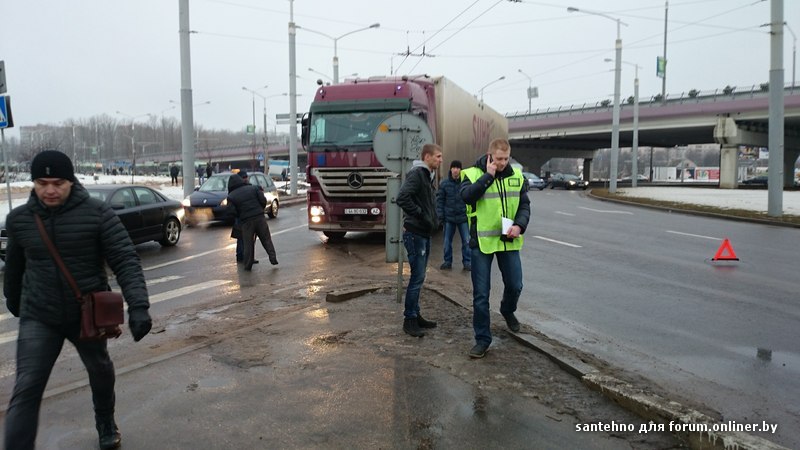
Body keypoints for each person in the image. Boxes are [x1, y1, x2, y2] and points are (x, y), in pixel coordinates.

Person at [3, 150, 153, 450]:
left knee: (100, 370)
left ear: (71, 181)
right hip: (40, 315)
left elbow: (125, 258)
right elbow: (15, 267)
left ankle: (105, 420)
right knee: (27, 386)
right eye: (42, 183)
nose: (50, 190)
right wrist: (14, 299)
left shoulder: (97, 214)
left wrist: (138, 306)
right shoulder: (20, 219)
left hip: (85, 313)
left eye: (58, 183)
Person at [460, 138, 530, 359]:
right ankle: (482, 339)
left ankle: (507, 310)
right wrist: (488, 176)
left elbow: (524, 205)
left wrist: (519, 225)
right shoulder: (472, 174)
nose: (502, 163)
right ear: (490, 155)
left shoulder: (516, 176)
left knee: (515, 285)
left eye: (506, 158)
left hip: (508, 239)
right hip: (481, 243)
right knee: (481, 295)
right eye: (499, 159)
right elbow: (466, 197)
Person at [396, 143, 442, 338]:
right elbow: (402, 198)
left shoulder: (427, 176)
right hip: (415, 233)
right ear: (427, 156)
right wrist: (421, 214)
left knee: (419, 277)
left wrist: (434, 220)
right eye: (438, 156)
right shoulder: (417, 174)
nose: (440, 160)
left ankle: (416, 314)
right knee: (416, 278)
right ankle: (409, 320)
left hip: (423, 233)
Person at [226, 173, 277, 271]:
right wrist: (260, 210)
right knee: (266, 239)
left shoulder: (231, 196)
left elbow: (231, 212)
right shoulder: (253, 188)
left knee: (248, 244)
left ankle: (248, 265)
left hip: (246, 222)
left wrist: (240, 216)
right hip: (260, 218)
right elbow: (263, 200)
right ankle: (273, 258)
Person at [436, 159, 471, 271]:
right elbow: (440, 200)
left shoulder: (465, 183)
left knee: (466, 241)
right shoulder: (444, 184)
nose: (455, 170)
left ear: (461, 170)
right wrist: (440, 216)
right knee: (447, 242)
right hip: (449, 218)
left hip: (463, 217)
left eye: (458, 168)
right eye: (454, 168)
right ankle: (447, 261)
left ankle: (467, 262)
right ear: (450, 169)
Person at [232, 171, 258, 265]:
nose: (246, 179)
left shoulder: (246, 187)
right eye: (244, 177)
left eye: (246, 177)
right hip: (242, 215)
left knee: (244, 236)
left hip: (244, 215)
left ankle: (243, 256)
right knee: (244, 237)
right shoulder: (238, 188)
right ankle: (244, 256)